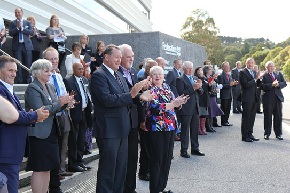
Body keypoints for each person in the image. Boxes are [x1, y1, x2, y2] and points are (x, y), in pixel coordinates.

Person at [90, 44, 152, 193]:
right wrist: (132, 94)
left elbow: (127, 96)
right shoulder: (99, 75)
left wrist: (140, 97)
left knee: (121, 169)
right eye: (117, 57)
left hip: (123, 128)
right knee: (108, 169)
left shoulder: (118, 75)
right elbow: (107, 100)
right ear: (106, 57)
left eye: (120, 57)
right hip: (109, 130)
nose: (119, 60)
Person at [0, 55, 49, 193]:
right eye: (10, 70)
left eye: (15, 71)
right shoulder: (1, 89)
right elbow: (11, 116)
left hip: (12, 151)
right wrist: (34, 115)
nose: (14, 74)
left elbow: (17, 114)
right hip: (6, 152)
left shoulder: (9, 88)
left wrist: (32, 117)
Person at [25, 59, 73, 193]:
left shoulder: (50, 87)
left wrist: (65, 103)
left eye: (51, 71)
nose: (50, 74)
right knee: (39, 168)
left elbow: (55, 107)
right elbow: (41, 110)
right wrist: (60, 103)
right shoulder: (32, 88)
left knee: (48, 167)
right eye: (46, 71)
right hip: (40, 133)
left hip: (52, 131)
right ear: (37, 73)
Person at [145, 65, 187, 193]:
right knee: (157, 159)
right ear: (150, 77)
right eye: (154, 74)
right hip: (156, 127)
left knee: (167, 158)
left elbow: (173, 103)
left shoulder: (167, 87)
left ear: (163, 76)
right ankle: (154, 189)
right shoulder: (149, 89)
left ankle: (161, 187)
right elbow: (155, 107)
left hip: (170, 126)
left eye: (160, 74)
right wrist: (172, 104)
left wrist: (179, 102)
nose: (158, 76)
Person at [44, 47, 73, 192]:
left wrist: (68, 102)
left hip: (63, 114)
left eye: (56, 58)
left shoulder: (58, 75)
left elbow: (62, 94)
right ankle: (53, 184)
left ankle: (57, 178)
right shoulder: (43, 77)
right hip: (51, 119)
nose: (54, 61)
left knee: (62, 146)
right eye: (51, 59)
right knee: (53, 152)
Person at [117, 44, 139, 193]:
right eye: (128, 56)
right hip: (120, 122)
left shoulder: (133, 72)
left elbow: (137, 98)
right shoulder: (115, 73)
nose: (131, 59)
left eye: (132, 56)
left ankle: (131, 188)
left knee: (132, 157)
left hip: (134, 120)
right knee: (121, 160)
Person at [64, 62, 93, 172]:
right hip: (75, 113)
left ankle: (80, 161)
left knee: (81, 138)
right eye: (79, 69)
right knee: (73, 139)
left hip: (84, 112)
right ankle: (72, 163)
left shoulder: (85, 80)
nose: (81, 71)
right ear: (74, 70)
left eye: (82, 69)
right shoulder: (68, 81)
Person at [176, 61, 205, 158]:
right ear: (184, 69)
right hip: (186, 108)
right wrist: (193, 88)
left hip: (195, 108)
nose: (190, 70)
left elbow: (201, 92)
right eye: (188, 68)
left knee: (194, 129)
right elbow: (182, 93)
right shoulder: (180, 79)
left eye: (191, 68)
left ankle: (195, 148)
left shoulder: (195, 78)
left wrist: (200, 87)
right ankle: (183, 150)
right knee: (185, 130)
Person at [137, 58, 157, 181]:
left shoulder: (155, 80)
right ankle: (143, 172)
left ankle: (149, 170)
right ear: (148, 69)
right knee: (145, 148)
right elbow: (140, 102)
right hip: (144, 118)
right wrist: (142, 120)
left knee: (151, 147)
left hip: (153, 118)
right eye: (155, 69)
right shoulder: (141, 80)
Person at [260, 61, 287, 140]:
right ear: (266, 67)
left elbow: (284, 83)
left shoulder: (278, 74)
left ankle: (278, 134)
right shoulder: (263, 75)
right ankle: (267, 133)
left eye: (273, 66)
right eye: (270, 66)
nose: (272, 68)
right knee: (267, 116)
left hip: (277, 98)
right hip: (268, 99)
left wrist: (278, 85)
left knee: (278, 116)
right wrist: (271, 85)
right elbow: (261, 86)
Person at [239, 58, 263, 142]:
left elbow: (258, 84)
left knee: (252, 117)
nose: (250, 64)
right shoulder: (242, 72)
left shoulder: (254, 72)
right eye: (249, 63)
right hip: (247, 98)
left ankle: (250, 134)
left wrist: (260, 79)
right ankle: (244, 136)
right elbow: (245, 85)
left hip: (254, 98)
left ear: (254, 64)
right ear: (246, 63)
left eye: (252, 63)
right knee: (246, 117)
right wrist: (255, 79)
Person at [9, 7, 34, 84]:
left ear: (22, 13)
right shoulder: (12, 23)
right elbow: (10, 33)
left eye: (18, 12)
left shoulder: (27, 22)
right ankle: (19, 81)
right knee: (18, 64)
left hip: (27, 46)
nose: (17, 14)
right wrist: (17, 28)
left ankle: (28, 81)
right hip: (17, 46)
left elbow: (31, 32)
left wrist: (22, 29)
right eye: (16, 12)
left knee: (28, 63)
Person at [217, 61, 238, 126]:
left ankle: (226, 120)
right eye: (225, 66)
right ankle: (223, 121)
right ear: (222, 67)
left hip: (229, 94)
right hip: (224, 95)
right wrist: (230, 85)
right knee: (224, 108)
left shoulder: (229, 75)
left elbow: (231, 84)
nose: (227, 68)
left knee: (228, 108)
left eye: (228, 66)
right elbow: (221, 85)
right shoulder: (221, 76)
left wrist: (234, 84)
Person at [203, 65, 223, 131]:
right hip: (209, 96)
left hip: (213, 95)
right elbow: (208, 85)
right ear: (206, 70)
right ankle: (208, 126)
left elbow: (213, 85)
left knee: (212, 111)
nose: (211, 71)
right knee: (210, 111)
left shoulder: (211, 77)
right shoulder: (205, 78)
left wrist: (217, 88)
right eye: (210, 69)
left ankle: (211, 125)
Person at [194, 66, 210, 135]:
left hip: (205, 98)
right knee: (200, 114)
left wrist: (210, 85)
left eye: (201, 70)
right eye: (199, 70)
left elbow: (208, 89)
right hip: (200, 98)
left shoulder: (205, 79)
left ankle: (203, 128)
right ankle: (198, 129)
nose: (201, 72)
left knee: (204, 114)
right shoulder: (196, 79)